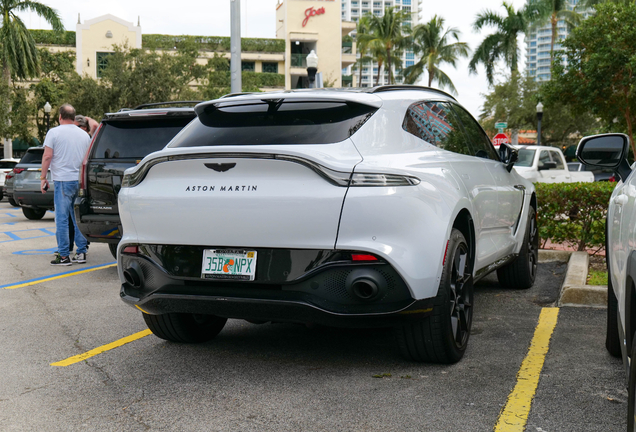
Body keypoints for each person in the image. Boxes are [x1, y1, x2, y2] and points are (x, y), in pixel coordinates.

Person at [40, 104, 91, 266]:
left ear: (60, 117)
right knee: (77, 218)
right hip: (79, 181)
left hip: (63, 180)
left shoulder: (53, 133)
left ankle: (63, 256)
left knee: (62, 219)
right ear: (74, 118)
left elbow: (47, 156)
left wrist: (43, 177)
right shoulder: (84, 135)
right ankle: (81, 253)